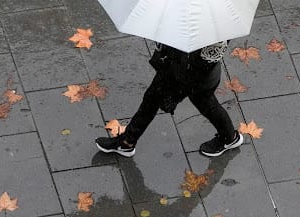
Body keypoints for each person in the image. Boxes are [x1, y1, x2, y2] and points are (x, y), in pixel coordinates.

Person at [95, 40, 243, 158]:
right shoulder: (208, 17)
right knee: (152, 99)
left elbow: (200, 64)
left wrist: (175, 92)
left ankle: (229, 138)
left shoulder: (210, 29)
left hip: (193, 77)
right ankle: (128, 141)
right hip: (185, 70)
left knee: (205, 106)